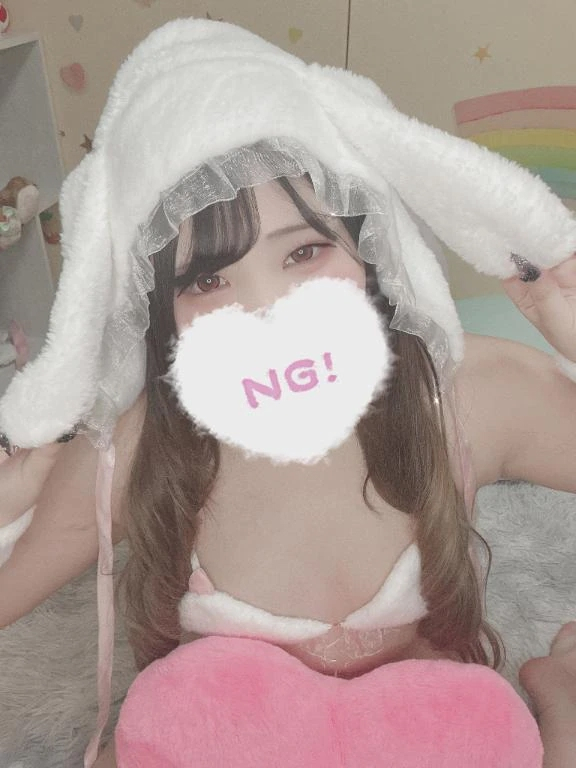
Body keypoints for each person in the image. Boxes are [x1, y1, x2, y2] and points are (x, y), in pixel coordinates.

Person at [1, 17, 576, 768]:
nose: (266, 309)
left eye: (303, 252)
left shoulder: (462, 397)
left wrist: (568, 330)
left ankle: (561, 697)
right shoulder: (141, 444)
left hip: (427, 737)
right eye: (208, 280)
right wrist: (15, 490)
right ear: (162, 310)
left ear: (369, 248)